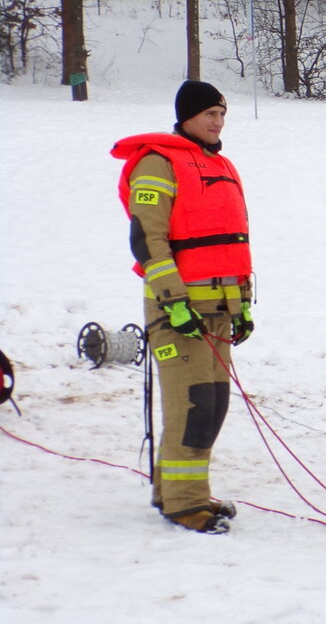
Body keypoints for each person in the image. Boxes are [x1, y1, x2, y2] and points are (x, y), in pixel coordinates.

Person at [111, 80, 255, 534]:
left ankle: (177, 491)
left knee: (213, 403)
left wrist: (243, 304)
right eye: (210, 114)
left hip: (218, 308)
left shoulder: (220, 165)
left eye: (222, 115)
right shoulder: (157, 163)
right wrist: (174, 304)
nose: (218, 122)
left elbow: (233, 241)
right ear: (187, 116)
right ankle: (185, 504)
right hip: (179, 311)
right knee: (192, 405)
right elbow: (148, 240)